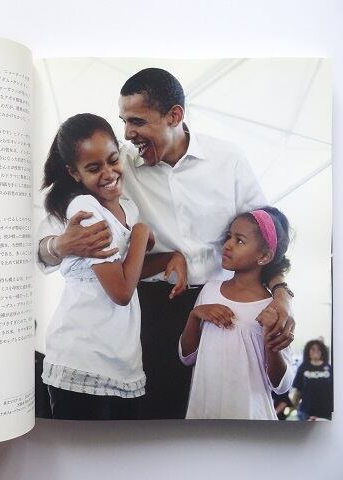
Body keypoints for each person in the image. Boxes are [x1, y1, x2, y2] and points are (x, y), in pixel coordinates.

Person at [37, 68, 296, 419]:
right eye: (124, 121)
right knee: (156, 420)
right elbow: (45, 241)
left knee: (220, 416)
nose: (127, 133)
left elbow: (267, 240)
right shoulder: (116, 167)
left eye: (137, 121)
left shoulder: (229, 161)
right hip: (150, 312)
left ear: (174, 116)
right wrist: (60, 244)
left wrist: (281, 294)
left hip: (221, 310)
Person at [40, 113, 157, 420]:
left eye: (113, 160)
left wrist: (170, 258)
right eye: (93, 168)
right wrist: (141, 233)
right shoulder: (85, 209)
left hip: (119, 358)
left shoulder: (128, 208)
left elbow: (127, 271)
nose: (108, 173)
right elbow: (121, 291)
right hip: (84, 358)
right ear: (74, 173)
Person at [179, 207, 294, 419]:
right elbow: (186, 357)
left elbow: (282, 385)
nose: (228, 245)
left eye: (239, 240)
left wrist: (271, 341)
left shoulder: (273, 308)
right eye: (229, 237)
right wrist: (195, 315)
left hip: (251, 419)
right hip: (205, 415)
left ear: (264, 256)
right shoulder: (209, 291)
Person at [291, 339, 333, 420]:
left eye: (319, 349)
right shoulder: (303, 367)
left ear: (322, 352)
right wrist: (293, 406)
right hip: (306, 413)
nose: (316, 351)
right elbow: (298, 391)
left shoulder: (329, 367)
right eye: (313, 349)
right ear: (308, 351)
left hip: (326, 413)